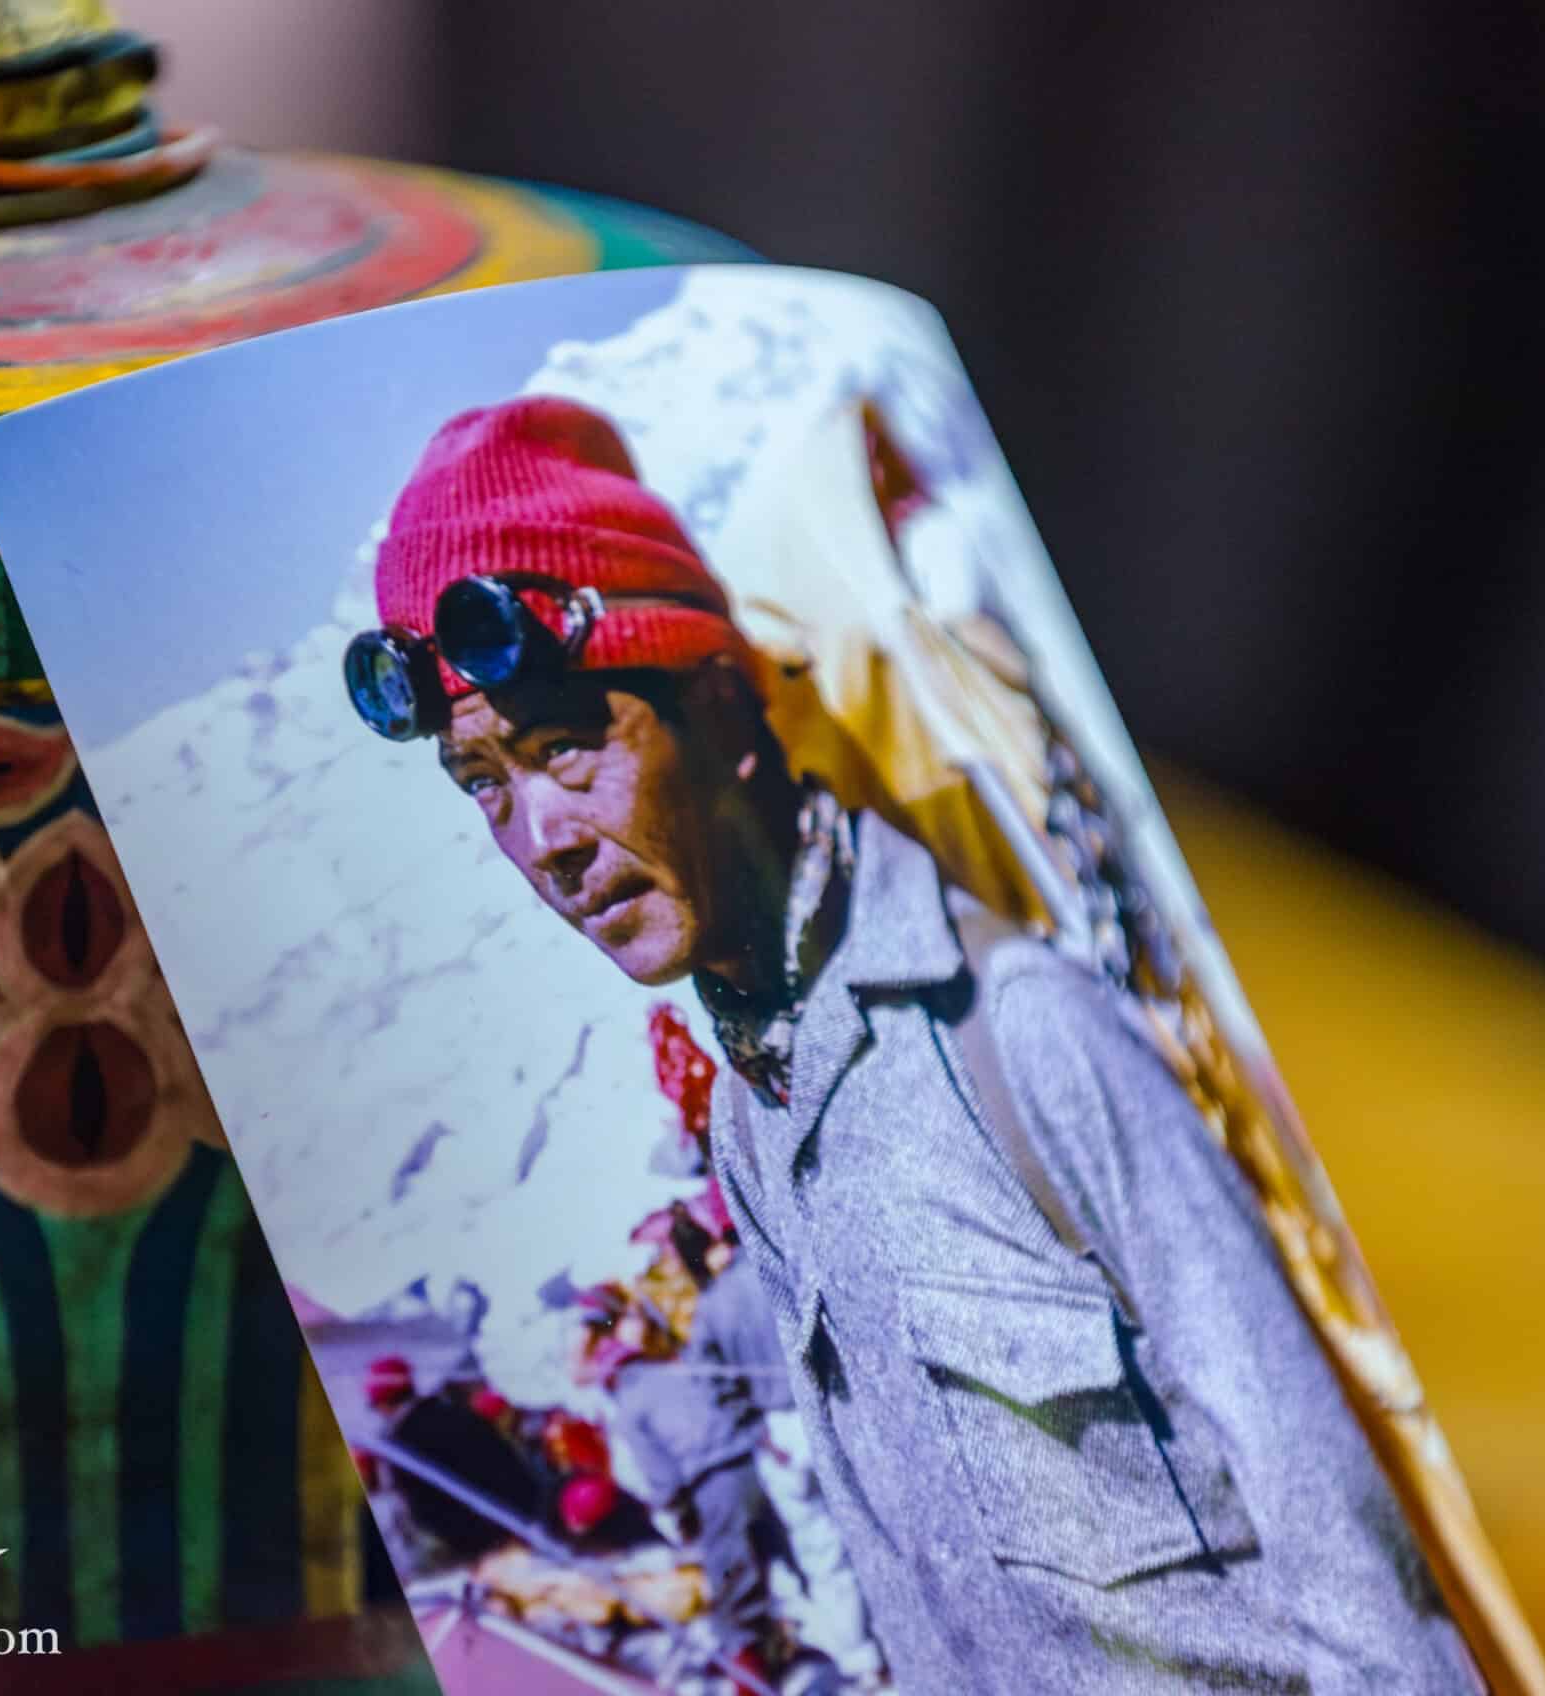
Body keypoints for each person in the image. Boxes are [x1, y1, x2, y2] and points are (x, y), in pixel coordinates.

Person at [343, 395, 1484, 1694]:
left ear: (720, 703)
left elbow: (1357, 1582)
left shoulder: (1018, 1029)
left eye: (564, 747)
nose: (541, 839)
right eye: (486, 786)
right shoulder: (751, 1121)